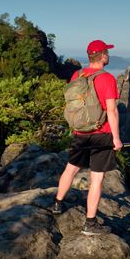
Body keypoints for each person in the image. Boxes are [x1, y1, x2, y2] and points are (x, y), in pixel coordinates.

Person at [51, 39, 123, 236]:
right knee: (96, 179)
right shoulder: (108, 78)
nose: (108, 55)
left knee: (71, 168)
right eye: (106, 52)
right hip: (101, 134)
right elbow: (112, 111)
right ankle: (90, 224)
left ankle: (57, 204)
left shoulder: (77, 74)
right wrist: (116, 138)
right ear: (101, 56)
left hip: (80, 132)